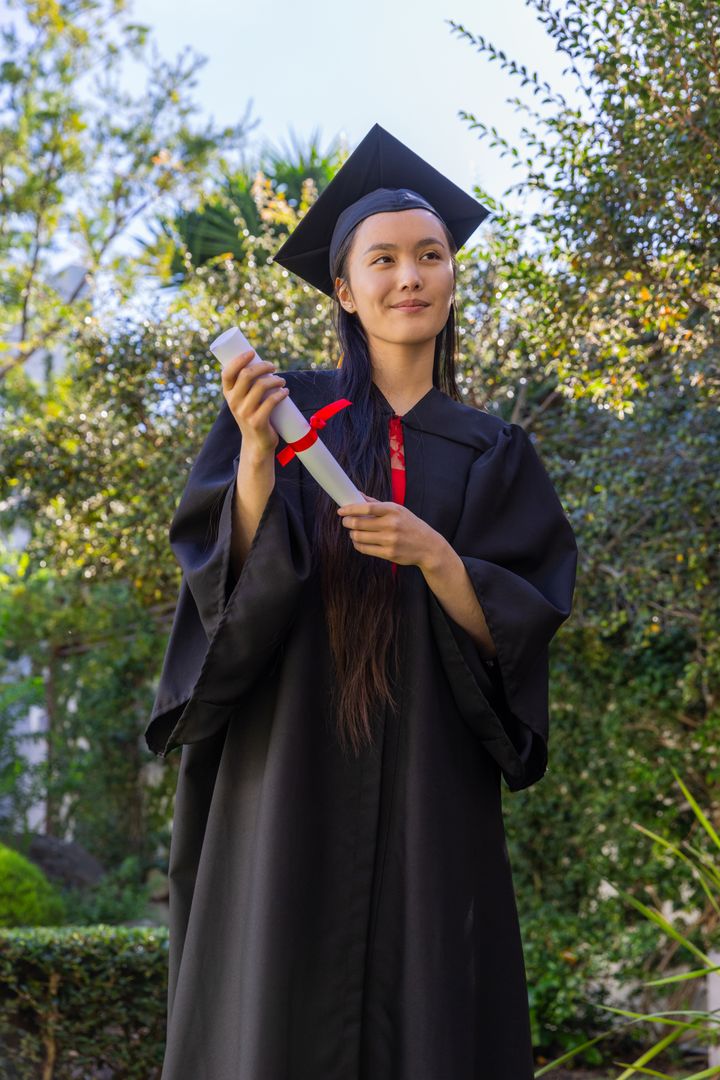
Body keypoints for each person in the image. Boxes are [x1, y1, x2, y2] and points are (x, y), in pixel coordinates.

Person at [145, 122, 579, 1080]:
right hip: (285, 765)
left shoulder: (494, 450)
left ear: (452, 278)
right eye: (382, 259)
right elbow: (221, 588)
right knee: (274, 1008)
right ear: (344, 289)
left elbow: (523, 623)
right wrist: (256, 462)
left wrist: (437, 558)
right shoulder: (283, 413)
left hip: (430, 778)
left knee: (430, 1014)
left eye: (431, 255)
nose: (409, 276)